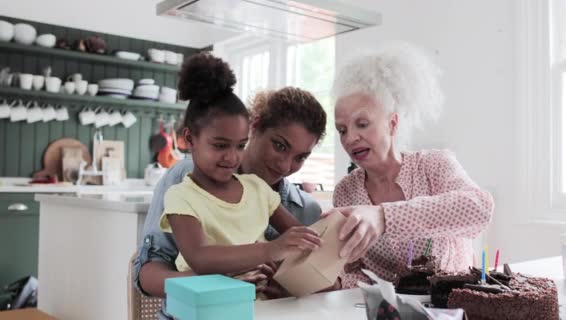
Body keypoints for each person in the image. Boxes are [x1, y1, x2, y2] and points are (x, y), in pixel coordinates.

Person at [132, 56, 329, 315]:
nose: (285, 165)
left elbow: (319, 275)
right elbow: (149, 275)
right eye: (279, 146)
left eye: (301, 157)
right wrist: (221, 282)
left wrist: (287, 286)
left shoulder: (300, 206)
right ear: (256, 126)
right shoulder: (183, 183)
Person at [326, 43, 495, 289]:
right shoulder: (345, 192)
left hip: (453, 306)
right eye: (342, 129)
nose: (350, 138)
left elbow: (479, 208)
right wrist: (334, 283)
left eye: (362, 124)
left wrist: (384, 216)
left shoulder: (434, 165)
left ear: (392, 124)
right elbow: (358, 272)